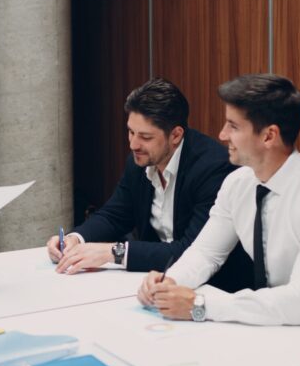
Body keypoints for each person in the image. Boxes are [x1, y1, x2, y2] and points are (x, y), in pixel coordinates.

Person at [138, 74, 300, 337]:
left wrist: (200, 305)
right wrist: (170, 282)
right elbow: (206, 254)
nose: (222, 135)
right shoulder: (237, 183)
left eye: (233, 126)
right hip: (272, 323)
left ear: (269, 136)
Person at [47, 78, 251, 291]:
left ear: (175, 135)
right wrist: (75, 239)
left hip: (211, 288)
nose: (133, 144)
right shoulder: (141, 160)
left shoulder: (212, 168)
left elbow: (191, 251)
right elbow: (114, 215)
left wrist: (113, 252)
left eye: (145, 137)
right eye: (131, 132)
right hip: (153, 280)